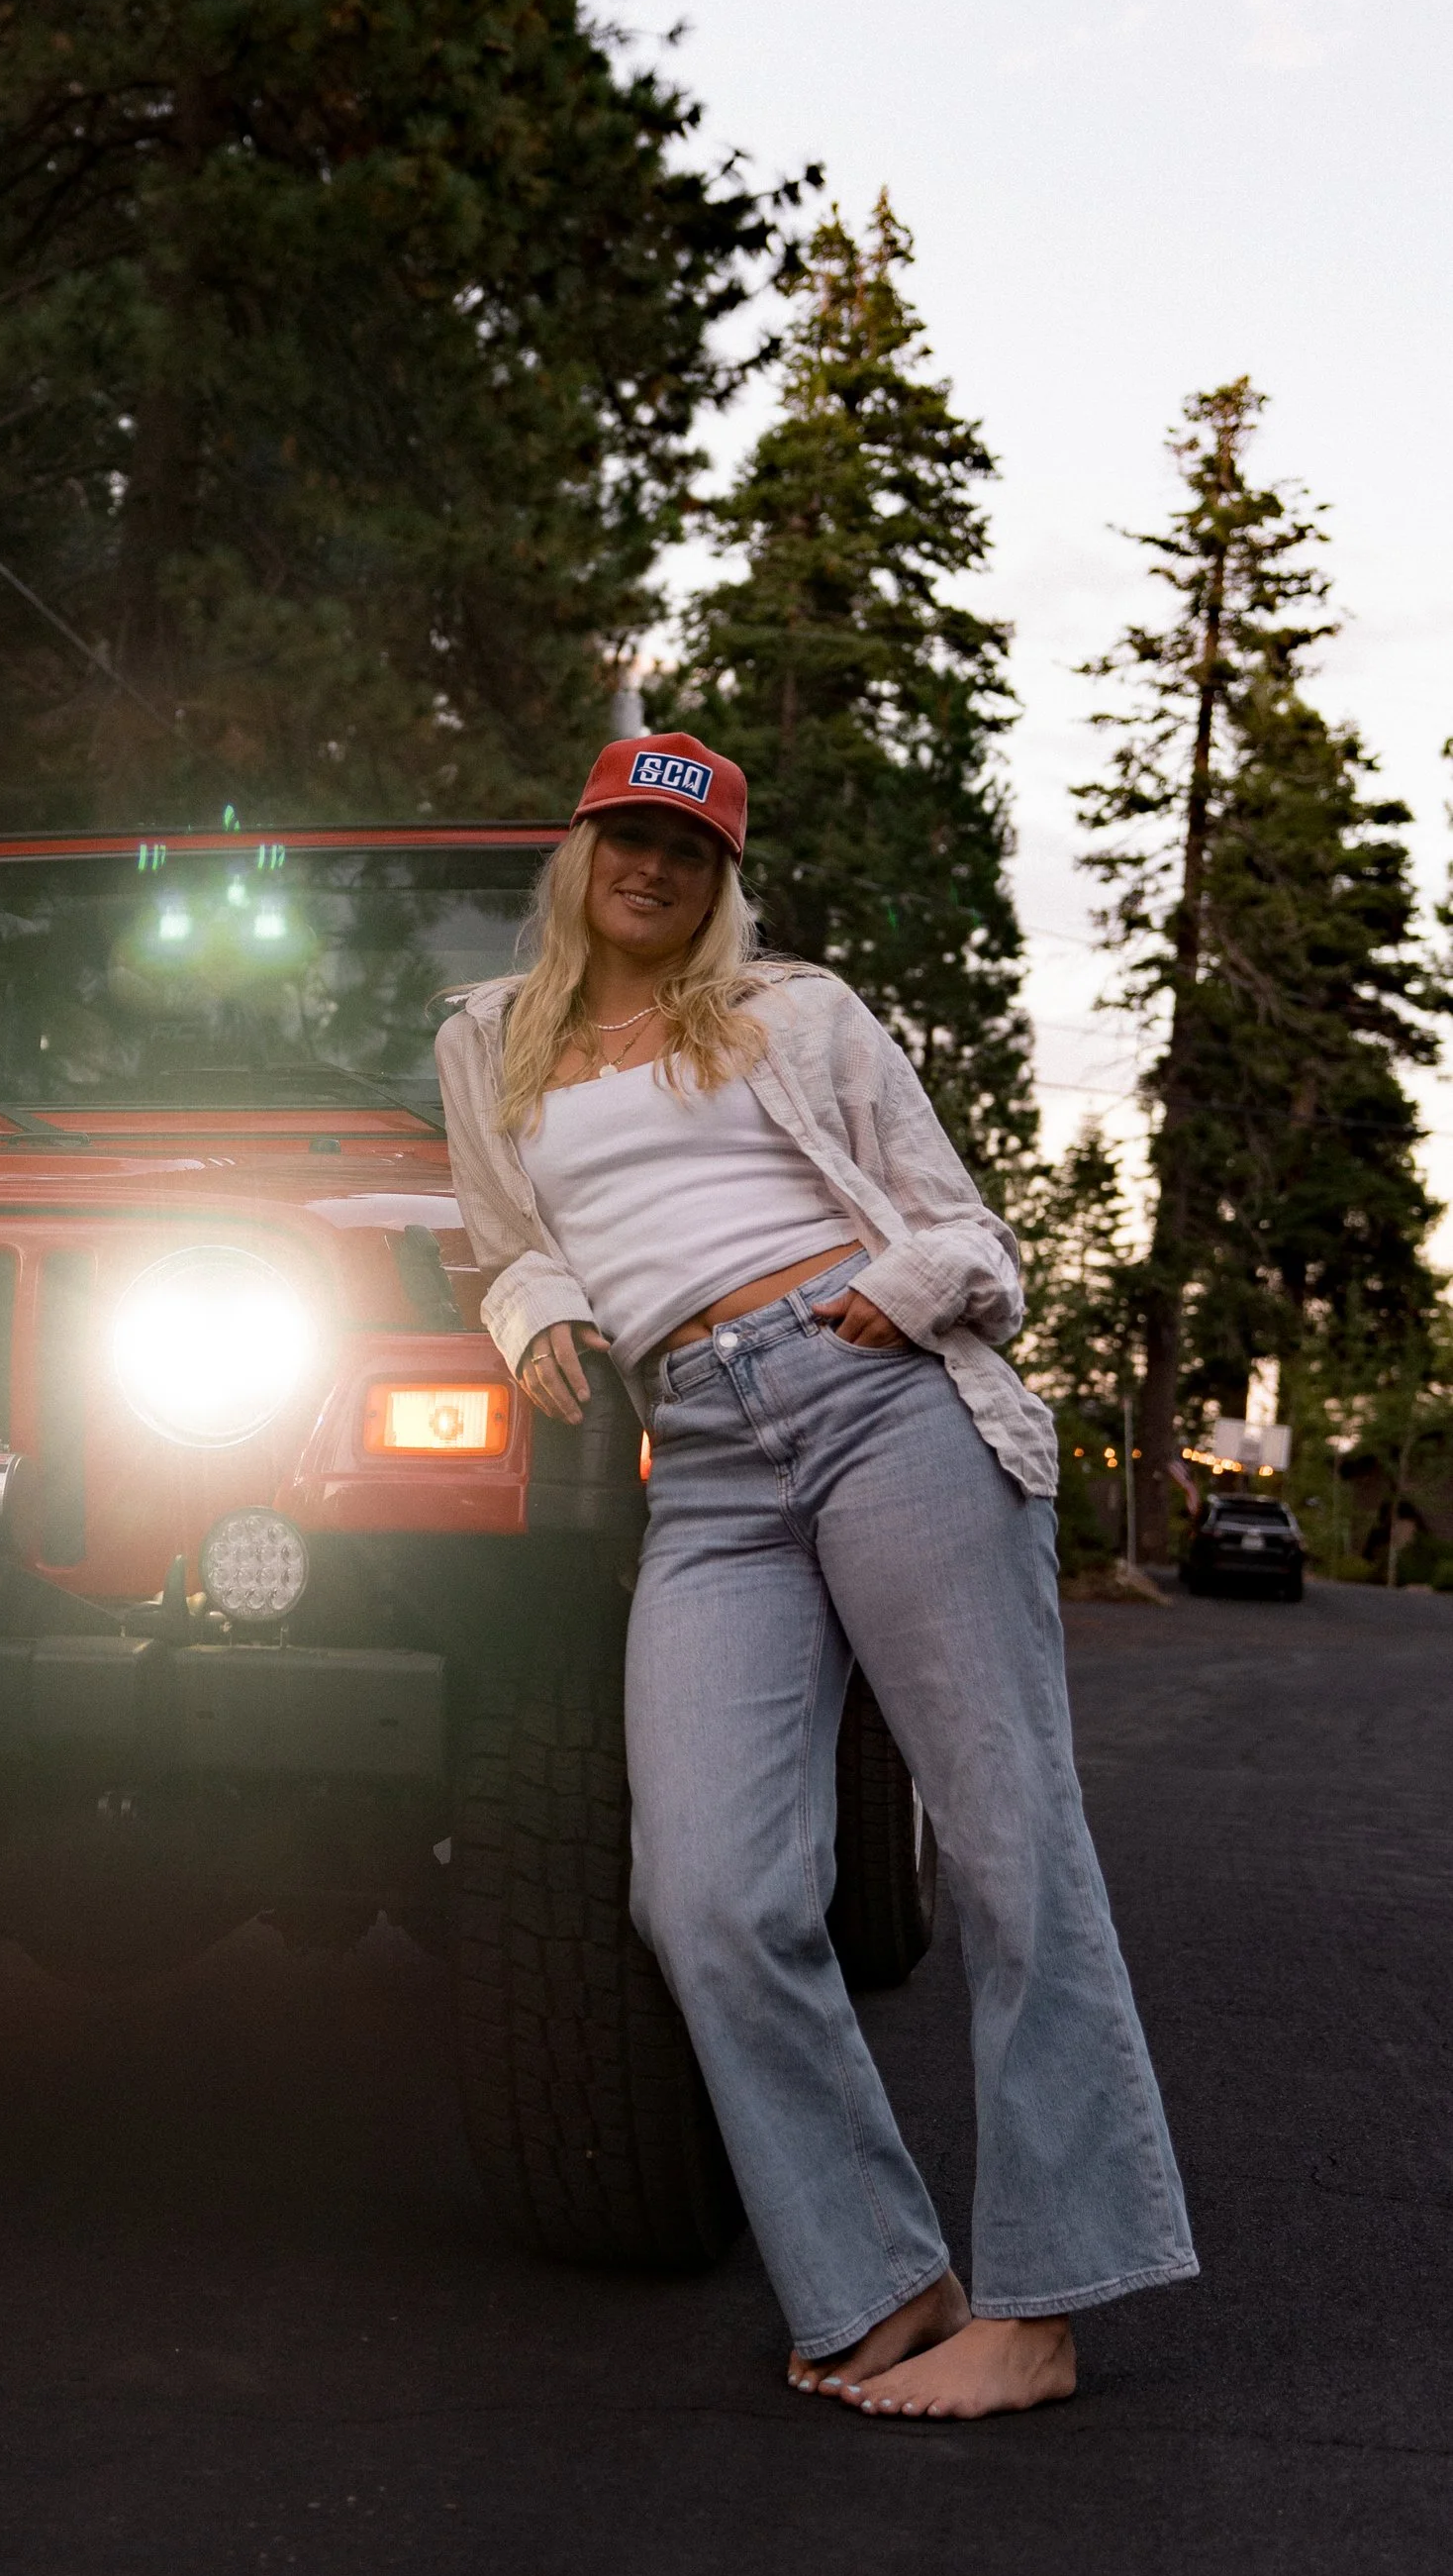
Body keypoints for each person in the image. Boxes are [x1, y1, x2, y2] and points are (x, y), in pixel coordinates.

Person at [436, 733, 1196, 2419]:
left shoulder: (802, 1013)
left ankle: (1047, 2305)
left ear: (722, 882)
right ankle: (879, 2273)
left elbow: (969, 1232)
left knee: (1009, 1845)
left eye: (690, 850)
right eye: (629, 836)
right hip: (700, 1458)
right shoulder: (490, 1040)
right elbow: (500, 1236)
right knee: (701, 1892)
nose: (654, 866)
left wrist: (897, 1290)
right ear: (581, 851)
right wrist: (532, 1307)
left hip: (880, 1401)